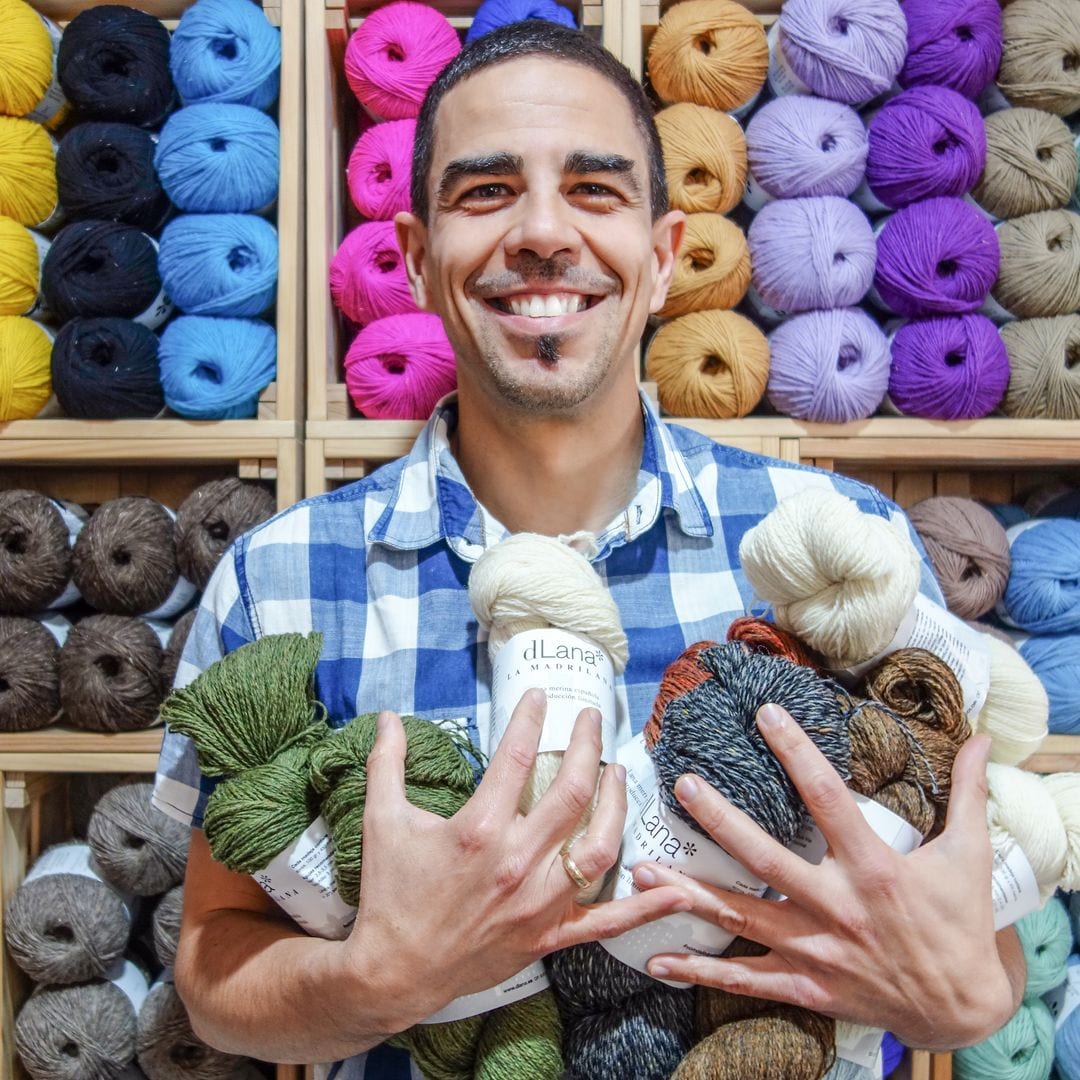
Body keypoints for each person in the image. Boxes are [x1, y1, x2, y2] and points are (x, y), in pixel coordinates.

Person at [153, 20, 1025, 1078]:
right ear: (420, 264)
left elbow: (979, 953)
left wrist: (963, 995)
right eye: (484, 192)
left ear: (662, 261)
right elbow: (212, 969)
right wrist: (377, 982)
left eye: (596, 189)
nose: (542, 233)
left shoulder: (844, 545)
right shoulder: (278, 579)